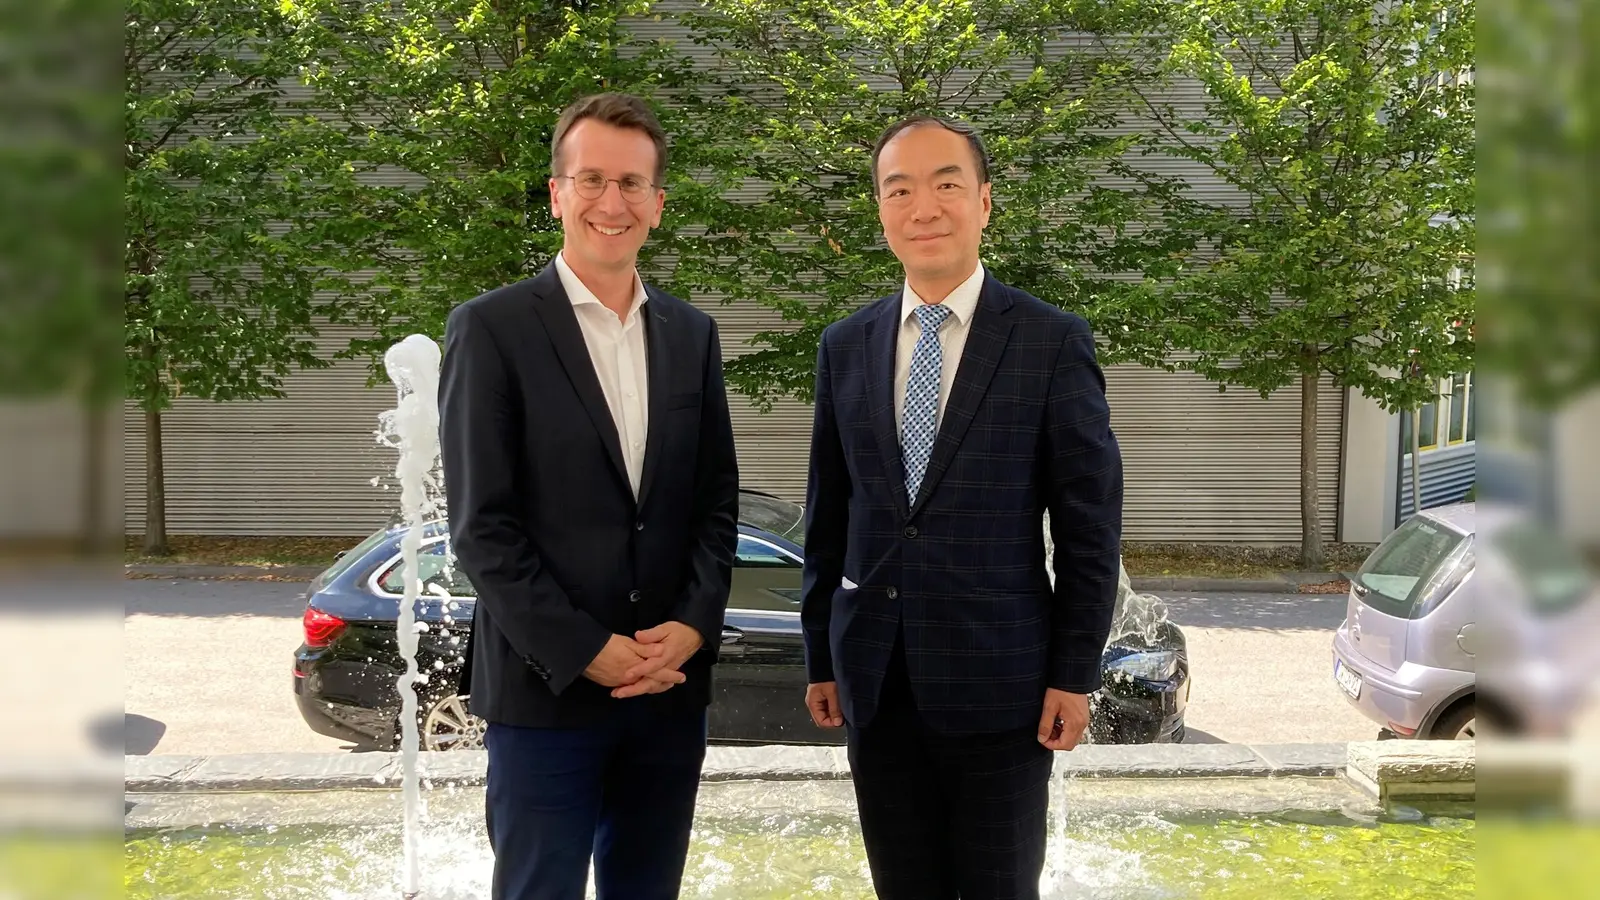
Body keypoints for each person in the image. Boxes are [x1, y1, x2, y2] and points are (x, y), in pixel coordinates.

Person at [800, 115, 1124, 900]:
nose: (924, 207)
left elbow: (1089, 529)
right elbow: (828, 514)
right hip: (876, 685)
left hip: (1005, 689)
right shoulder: (846, 345)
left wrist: (1073, 676)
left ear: (984, 202)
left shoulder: (1050, 342)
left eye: (946, 184)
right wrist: (821, 655)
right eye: (900, 189)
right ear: (880, 210)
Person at [438, 92, 739, 900]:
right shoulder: (490, 329)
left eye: (633, 184)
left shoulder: (692, 334)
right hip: (547, 696)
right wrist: (584, 649)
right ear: (557, 194)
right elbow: (482, 529)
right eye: (594, 179)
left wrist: (691, 625)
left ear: (658, 203)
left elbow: (716, 504)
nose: (614, 202)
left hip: (668, 693)